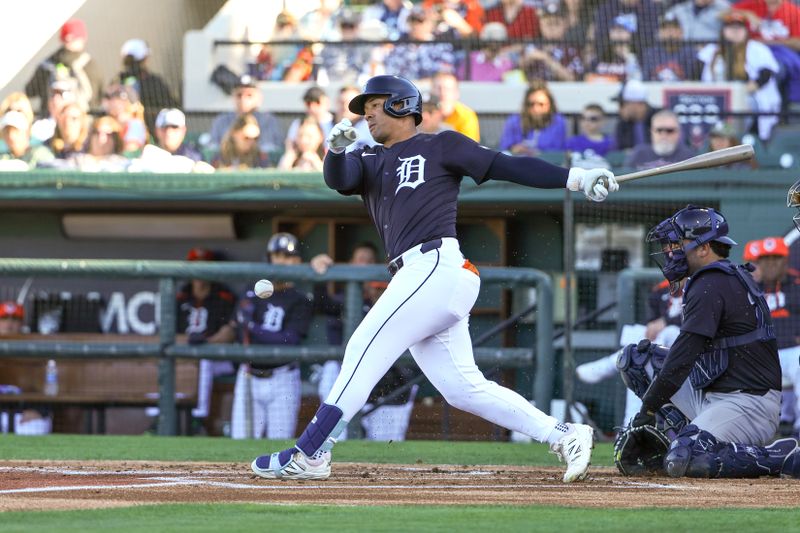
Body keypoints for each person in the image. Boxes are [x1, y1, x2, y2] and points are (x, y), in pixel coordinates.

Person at [250, 74, 619, 482]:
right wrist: (335, 150)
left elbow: (504, 165)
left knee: (362, 346)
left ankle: (310, 452)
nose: (367, 113)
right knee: (462, 388)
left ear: (402, 105)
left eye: (375, 103)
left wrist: (576, 177)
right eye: (364, 107)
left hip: (435, 266)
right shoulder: (369, 159)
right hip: (420, 277)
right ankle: (565, 433)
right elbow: (339, 179)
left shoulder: (441, 144)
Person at [623, 205, 797, 479]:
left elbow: (683, 356)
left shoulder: (712, 282)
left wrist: (646, 411)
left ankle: (778, 457)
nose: (671, 252)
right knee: (636, 360)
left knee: (689, 459)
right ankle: (686, 435)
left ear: (704, 249)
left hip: (749, 404)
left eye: (678, 244)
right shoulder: (714, 278)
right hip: (716, 393)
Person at [311, 242, 418, 441]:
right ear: (351, 263)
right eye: (360, 259)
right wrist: (320, 275)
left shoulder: (396, 299)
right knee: (331, 371)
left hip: (389, 389)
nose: (364, 264)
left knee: (386, 449)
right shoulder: (346, 301)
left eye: (369, 261)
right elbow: (322, 304)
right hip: (351, 380)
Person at [231, 232, 314, 440]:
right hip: (249, 374)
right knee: (240, 442)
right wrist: (246, 325)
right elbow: (239, 330)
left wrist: (252, 326)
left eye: (287, 257)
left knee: (280, 444)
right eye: (277, 256)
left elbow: (290, 340)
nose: (281, 262)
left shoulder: (300, 299)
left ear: (297, 261)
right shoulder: (252, 290)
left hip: (282, 377)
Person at [175, 248, 238, 432]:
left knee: (204, 361)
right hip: (185, 357)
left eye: (204, 266)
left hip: (219, 358)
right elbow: (169, 332)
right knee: (165, 364)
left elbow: (230, 332)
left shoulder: (224, 296)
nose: (200, 272)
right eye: (195, 266)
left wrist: (206, 344)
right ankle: (157, 416)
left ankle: (199, 418)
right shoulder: (181, 296)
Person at [697, 12, 782, 141]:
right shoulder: (711, 50)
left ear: (746, 31)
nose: (735, 31)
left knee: (741, 105)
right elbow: (697, 76)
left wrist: (737, 93)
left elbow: (766, 75)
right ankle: (708, 141)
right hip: (715, 97)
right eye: (731, 27)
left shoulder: (757, 48)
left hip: (748, 96)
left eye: (739, 27)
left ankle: (735, 140)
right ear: (723, 30)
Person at [752, 236, 800, 437]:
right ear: (758, 263)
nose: (771, 263)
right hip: (761, 352)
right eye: (766, 258)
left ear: (786, 260)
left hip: (793, 350)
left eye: (776, 258)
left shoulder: (797, 284)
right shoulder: (749, 288)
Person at [24, 19, 104, 114]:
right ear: (83, 39)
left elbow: (30, 91)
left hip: (50, 120)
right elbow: (98, 97)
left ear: (62, 39)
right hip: (80, 120)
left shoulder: (47, 64)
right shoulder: (90, 65)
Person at [206, 75, 284, 156]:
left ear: (259, 98)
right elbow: (212, 148)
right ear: (233, 97)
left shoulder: (269, 120)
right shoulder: (221, 121)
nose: (243, 100)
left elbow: (274, 150)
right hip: (229, 164)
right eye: (239, 95)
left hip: (258, 166)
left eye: (249, 95)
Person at [117, 38, 179, 133]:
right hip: (152, 134)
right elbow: (171, 107)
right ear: (145, 59)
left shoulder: (116, 82)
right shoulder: (155, 83)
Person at [383, 6, 456, 80]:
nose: (415, 26)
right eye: (412, 21)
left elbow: (447, 70)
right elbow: (391, 69)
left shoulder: (440, 46)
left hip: (432, 87)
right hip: (405, 87)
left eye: (421, 21)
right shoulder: (401, 46)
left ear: (430, 24)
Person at [498, 81, 567, 155]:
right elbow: (503, 150)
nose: (536, 109)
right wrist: (514, 149)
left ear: (550, 105)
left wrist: (536, 153)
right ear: (526, 104)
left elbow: (558, 153)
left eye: (541, 104)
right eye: (531, 104)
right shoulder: (513, 121)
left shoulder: (558, 122)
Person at [624, 110, 696, 169]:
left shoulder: (688, 157)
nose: (664, 135)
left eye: (669, 130)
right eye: (659, 130)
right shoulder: (639, 154)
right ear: (652, 132)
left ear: (678, 133)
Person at [641, 17, 702, 82]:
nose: (670, 32)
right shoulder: (651, 53)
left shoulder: (690, 53)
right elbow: (646, 80)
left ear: (681, 32)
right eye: (665, 28)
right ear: (659, 33)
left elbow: (693, 81)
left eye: (674, 28)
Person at [431, 72, 479, 142]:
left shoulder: (466, 116)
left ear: (456, 93)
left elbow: (469, 147)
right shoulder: (423, 113)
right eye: (438, 88)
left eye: (447, 89)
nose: (442, 93)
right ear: (431, 91)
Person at [101, 82, 148, 154]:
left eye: (114, 97)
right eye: (108, 97)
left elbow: (129, 152)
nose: (108, 102)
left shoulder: (135, 124)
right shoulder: (109, 124)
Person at [284, 86, 334, 151]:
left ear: (327, 102)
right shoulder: (298, 124)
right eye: (308, 103)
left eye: (317, 102)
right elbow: (290, 147)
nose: (313, 107)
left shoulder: (336, 123)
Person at [614, 80, 657, 151]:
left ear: (635, 104)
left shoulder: (658, 119)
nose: (619, 110)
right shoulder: (623, 124)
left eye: (622, 105)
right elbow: (616, 150)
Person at [334, 85, 376, 151]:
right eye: (342, 102)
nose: (345, 107)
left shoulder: (372, 128)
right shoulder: (324, 127)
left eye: (349, 103)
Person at [665, 0, 731, 41]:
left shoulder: (724, 8)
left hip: (711, 51)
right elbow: (665, 20)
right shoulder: (682, 8)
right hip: (684, 50)